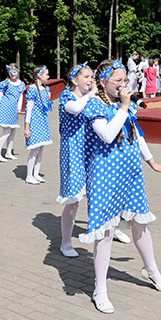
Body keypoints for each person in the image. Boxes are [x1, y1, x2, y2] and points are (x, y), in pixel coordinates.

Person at [83, 58, 161, 312]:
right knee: (106, 231)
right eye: (118, 81)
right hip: (104, 175)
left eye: (125, 80)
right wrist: (123, 106)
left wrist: (152, 161)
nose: (124, 85)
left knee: (140, 223)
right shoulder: (94, 104)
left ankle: (151, 270)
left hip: (130, 172)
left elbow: (137, 134)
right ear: (102, 82)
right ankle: (100, 288)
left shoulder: (127, 105)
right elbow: (108, 135)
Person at [56, 59, 97, 253]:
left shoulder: (90, 98)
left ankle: (109, 229)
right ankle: (66, 243)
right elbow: (75, 108)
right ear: (74, 79)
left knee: (98, 193)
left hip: (90, 150)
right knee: (74, 200)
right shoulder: (66, 96)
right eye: (87, 77)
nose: (91, 80)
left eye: (92, 77)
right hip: (72, 152)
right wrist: (91, 95)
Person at [24, 63, 53, 180]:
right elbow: (29, 108)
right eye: (46, 74)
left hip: (43, 122)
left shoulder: (46, 89)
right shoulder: (32, 90)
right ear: (39, 75)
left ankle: (36, 173)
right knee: (34, 150)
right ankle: (29, 175)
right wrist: (27, 127)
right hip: (35, 122)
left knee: (41, 149)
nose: (48, 76)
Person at [0, 62, 25, 159]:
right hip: (5, 108)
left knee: (13, 131)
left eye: (14, 72)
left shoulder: (21, 84)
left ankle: (8, 152)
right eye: (11, 72)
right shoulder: (5, 83)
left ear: (18, 72)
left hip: (13, 109)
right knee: (6, 131)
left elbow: (20, 97)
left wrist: (19, 108)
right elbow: (0, 96)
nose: (13, 74)